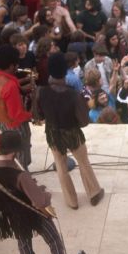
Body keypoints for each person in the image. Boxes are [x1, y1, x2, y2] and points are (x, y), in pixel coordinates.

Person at [0, 131, 71, 254]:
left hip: (14, 217)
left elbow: (6, 193)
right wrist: (45, 193)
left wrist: (28, 186)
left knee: (24, 247)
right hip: (33, 215)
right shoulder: (21, 176)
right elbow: (40, 202)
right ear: (13, 153)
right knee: (54, 242)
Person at [37, 52, 105, 210]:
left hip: (53, 133)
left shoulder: (41, 91)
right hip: (72, 133)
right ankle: (94, 193)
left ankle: (71, 201)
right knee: (83, 162)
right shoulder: (74, 95)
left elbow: (38, 115)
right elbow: (84, 122)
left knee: (60, 166)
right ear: (65, 69)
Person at [0, 45, 33, 170]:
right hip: (16, 126)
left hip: (0, 119)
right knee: (21, 153)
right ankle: (23, 179)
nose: (17, 67)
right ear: (11, 66)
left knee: (10, 149)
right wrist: (33, 113)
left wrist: (21, 86)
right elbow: (17, 115)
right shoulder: (9, 86)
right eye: (16, 64)